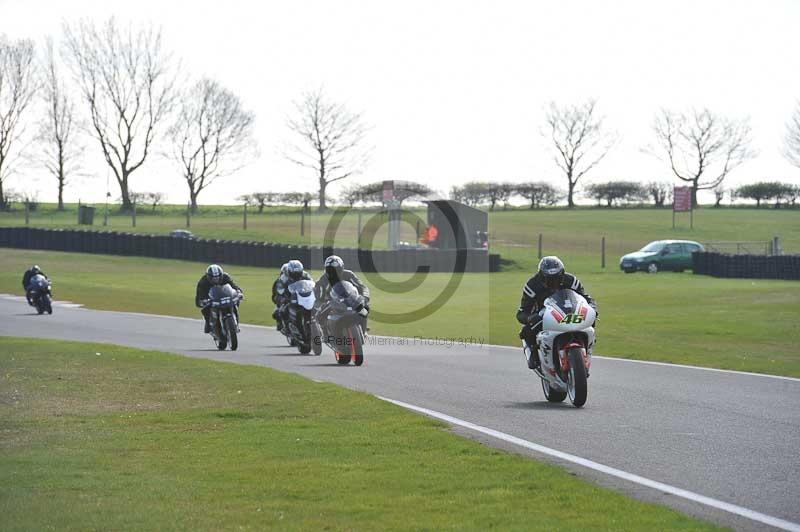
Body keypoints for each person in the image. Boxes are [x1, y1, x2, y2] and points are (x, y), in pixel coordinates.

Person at [516, 256, 596, 370]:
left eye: (557, 279)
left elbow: (586, 299)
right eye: (549, 280)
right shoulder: (532, 286)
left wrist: (593, 308)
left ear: (562, 275)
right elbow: (522, 312)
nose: (554, 284)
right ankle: (533, 354)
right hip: (544, 314)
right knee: (525, 332)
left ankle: (587, 348)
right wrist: (530, 318)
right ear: (541, 277)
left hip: (570, 311)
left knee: (592, 320)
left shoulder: (571, 281)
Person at [314, 255, 370, 329]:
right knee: (319, 315)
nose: (333, 272)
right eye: (330, 270)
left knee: (364, 308)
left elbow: (362, 286)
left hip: (350, 300)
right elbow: (318, 293)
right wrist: (321, 302)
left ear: (341, 268)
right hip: (332, 302)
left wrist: (365, 296)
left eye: (335, 270)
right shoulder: (323, 279)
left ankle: (363, 328)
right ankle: (324, 333)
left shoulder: (349, 275)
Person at [196, 264, 243, 333]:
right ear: (209, 277)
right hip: (211, 299)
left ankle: (235, 321)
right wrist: (203, 301)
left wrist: (239, 292)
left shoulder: (226, 277)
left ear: (221, 275)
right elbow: (199, 296)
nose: (216, 279)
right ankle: (208, 323)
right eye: (213, 278)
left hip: (225, 297)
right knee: (205, 309)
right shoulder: (203, 282)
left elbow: (234, 286)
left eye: (217, 277)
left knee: (236, 300)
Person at [275, 260, 313, 330]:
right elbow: (280, 290)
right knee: (280, 311)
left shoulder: (305, 275)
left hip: (302, 296)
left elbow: (311, 284)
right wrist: (283, 297)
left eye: (298, 273)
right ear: (290, 272)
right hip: (289, 296)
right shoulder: (284, 278)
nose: (296, 275)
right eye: (294, 273)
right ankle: (284, 325)